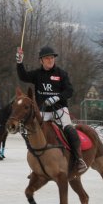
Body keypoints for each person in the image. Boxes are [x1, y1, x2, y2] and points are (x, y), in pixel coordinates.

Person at [16, 45, 87, 173]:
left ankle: (79, 160)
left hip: (60, 109)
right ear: (41, 60)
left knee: (69, 129)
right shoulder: (37, 74)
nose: (50, 60)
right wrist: (20, 62)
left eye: (52, 58)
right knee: (31, 131)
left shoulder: (61, 74)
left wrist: (56, 98)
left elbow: (69, 90)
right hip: (43, 111)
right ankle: (36, 161)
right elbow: (23, 76)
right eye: (47, 58)